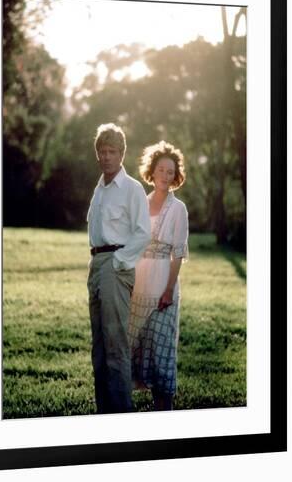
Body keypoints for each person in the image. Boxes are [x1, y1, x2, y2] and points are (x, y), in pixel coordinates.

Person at [87, 123, 151, 414]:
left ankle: (122, 416)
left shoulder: (131, 189)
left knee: (115, 346)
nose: (107, 156)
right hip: (97, 264)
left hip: (116, 265)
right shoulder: (99, 190)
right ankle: (104, 414)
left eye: (113, 151)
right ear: (97, 154)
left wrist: (119, 262)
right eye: (103, 151)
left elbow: (142, 233)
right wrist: (101, 264)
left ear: (122, 154)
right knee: (99, 348)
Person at [128, 140, 188, 411]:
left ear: (175, 177)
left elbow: (178, 253)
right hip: (139, 285)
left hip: (163, 287)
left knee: (161, 353)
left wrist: (168, 290)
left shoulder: (179, 209)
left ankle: (165, 412)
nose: (165, 175)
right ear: (151, 172)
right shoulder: (140, 202)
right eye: (161, 169)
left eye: (170, 171)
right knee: (137, 349)